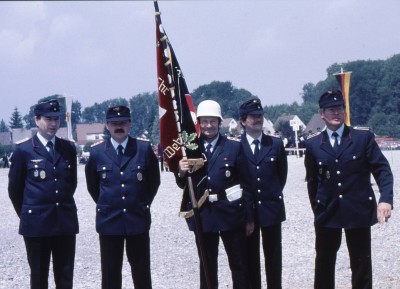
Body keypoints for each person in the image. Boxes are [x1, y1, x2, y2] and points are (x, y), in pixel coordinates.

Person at [304, 90, 394, 289]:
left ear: (344, 112)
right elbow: (312, 182)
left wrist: (385, 199)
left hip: (358, 210)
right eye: (331, 109)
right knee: (324, 262)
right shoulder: (313, 145)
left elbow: (383, 170)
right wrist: (318, 209)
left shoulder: (362, 139)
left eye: (340, 108)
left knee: (361, 263)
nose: (336, 113)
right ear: (322, 114)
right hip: (328, 212)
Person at [176, 99, 252, 289]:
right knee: (207, 266)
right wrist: (181, 172)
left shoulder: (234, 147)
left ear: (219, 122)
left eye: (213, 121)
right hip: (204, 213)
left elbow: (246, 183)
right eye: (204, 121)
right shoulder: (191, 148)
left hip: (231, 212)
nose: (208, 126)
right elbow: (183, 185)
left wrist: (249, 217)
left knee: (239, 263)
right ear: (199, 123)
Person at [85, 105, 160, 289]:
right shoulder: (97, 153)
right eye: (114, 123)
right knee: (110, 275)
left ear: (130, 124)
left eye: (123, 122)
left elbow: (153, 182)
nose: (119, 126)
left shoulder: (143, 149)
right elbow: (93, 186)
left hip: (137, 219)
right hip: (109, 221)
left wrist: (141, 203)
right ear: (107, 125)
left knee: (141, 273)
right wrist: (111, 204)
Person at [8, 99, 78, 289]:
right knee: (38, 277)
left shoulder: (68, 149)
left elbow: (71, 183)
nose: (54, 124)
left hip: (64, 221)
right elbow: (15, 190)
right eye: (49, 119)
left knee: (65, 277)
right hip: (36, 225)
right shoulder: (24, 150)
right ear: (37, 120)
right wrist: (29, 213)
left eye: (56, 119)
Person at [239, 99, 288, 289]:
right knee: (251, 259)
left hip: (271, 209)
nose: (257, 119)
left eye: (260, 115)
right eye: (253, 116)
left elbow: (280, 176)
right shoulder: (236, 147)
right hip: (248, 212)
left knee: (274, 258)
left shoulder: (275, 145)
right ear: (243, 120)